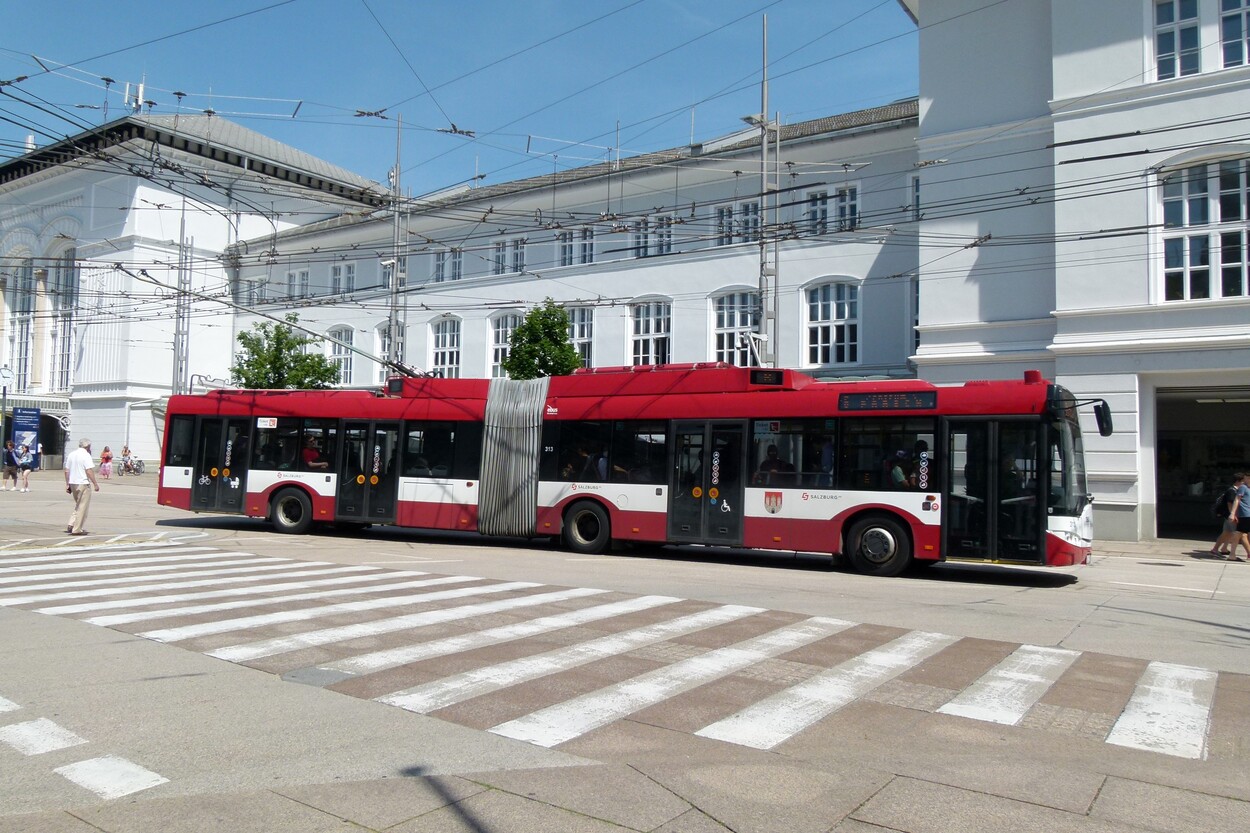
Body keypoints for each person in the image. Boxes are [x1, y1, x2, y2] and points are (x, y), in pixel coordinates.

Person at [64, 438, 100, 535]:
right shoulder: (86, 455)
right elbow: (89, 471)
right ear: (88, 447)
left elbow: (67, 471)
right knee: (83, 507)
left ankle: (71, 523)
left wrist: (67, 484)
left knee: (79, 504)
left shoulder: (71, 454)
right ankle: (77, 529)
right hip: (83, 483)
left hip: (73, 482)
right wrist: (95, 484)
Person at [1211, 473, 1243, 558]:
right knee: (1239, 534)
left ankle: (1216, 549)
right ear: (1238, 481)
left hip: (1228, 516)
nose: (1244, 483)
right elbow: (1230, 504)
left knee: (1226, 534)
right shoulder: (1232, 491)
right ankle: (1232, 554)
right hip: (1231, 516)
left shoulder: (1234, 490)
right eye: (1243, 481)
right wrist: (1233, 515)